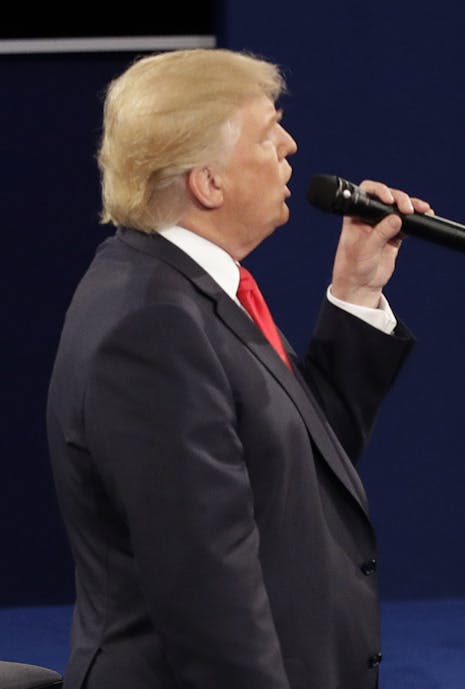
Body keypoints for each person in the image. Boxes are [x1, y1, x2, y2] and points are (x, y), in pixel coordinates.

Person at [46, 48, 429, 689]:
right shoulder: (151, 327)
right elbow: (207, 591)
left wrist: (356, 293)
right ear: (209, 182)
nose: (290, 144)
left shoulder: (189, 287)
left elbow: (297, 468)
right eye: (266, 131)